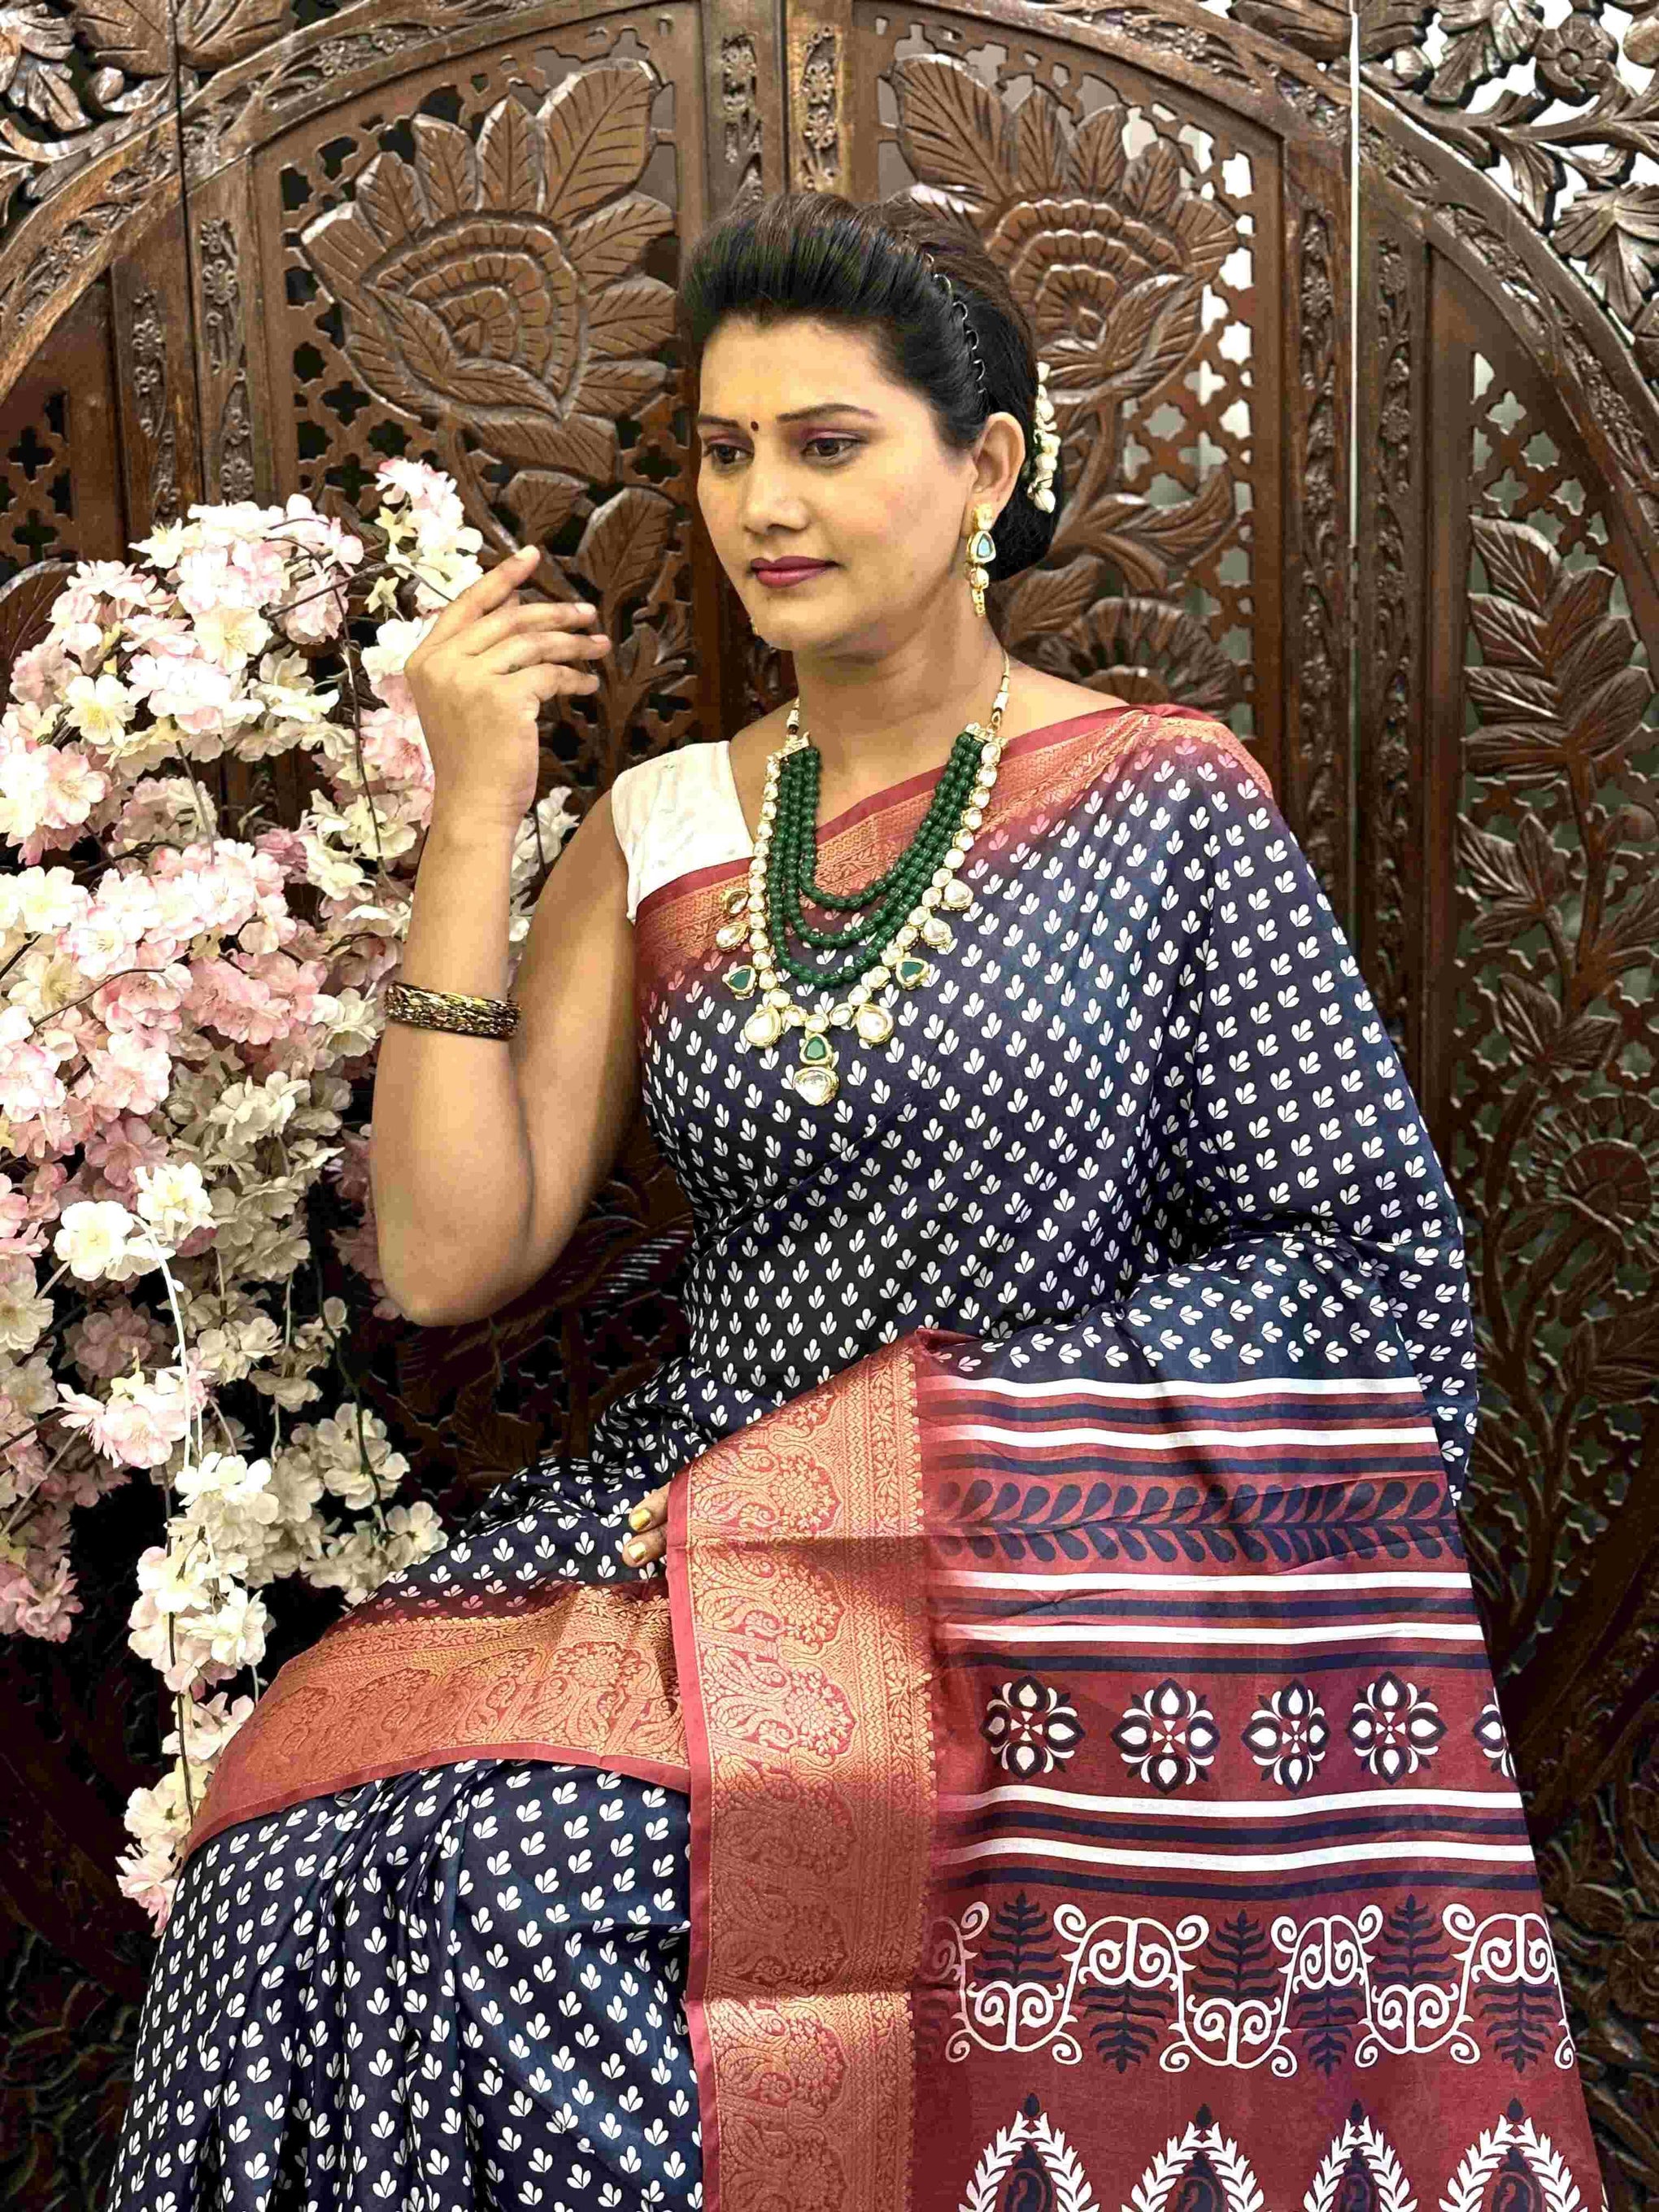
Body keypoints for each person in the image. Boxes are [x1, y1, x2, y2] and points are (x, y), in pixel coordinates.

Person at [105, 189, 1608, 2212]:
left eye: (828, 443)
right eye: (727, 450)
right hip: (689, 1535)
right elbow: (453, 1255)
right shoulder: (670, 826)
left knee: (525, 1884)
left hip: (1034, 1558)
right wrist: (475, 810)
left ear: (985, 468)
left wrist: (914, 1454)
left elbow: (1368, 1271)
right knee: (304, 1843)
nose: (763, 504)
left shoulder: (1165, 797)